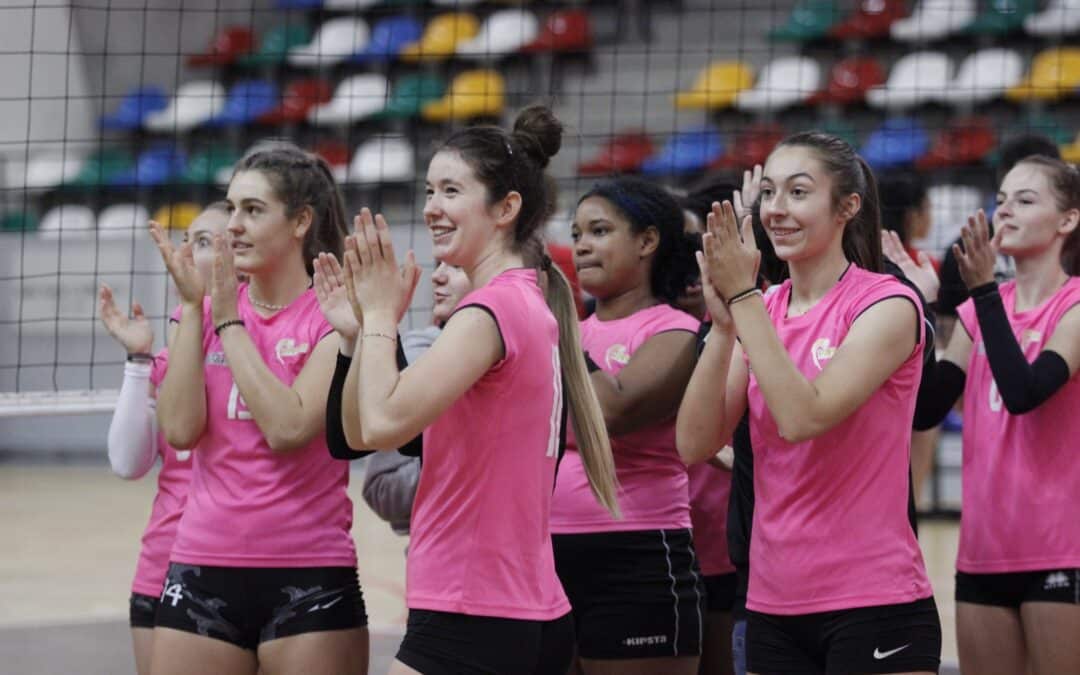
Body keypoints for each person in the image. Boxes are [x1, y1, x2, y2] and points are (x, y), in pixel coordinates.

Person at [338, 105, 620, 675]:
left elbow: (383, 423)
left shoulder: (489, 311)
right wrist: (355, 335)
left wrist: (378, 317)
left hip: (474, 607)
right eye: (428, 190)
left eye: (450, 190)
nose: (430, 208)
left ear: (506, 208)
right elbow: (357, 432)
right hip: (518, 607)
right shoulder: (527, 303)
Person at [677, 132, 941, 675]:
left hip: (873, 600)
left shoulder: (887, 304)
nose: (776, 210)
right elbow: (695, 443)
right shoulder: (762, 308)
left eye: (798, 193)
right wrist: (724, 327)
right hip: (773, 604)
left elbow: (804, 417)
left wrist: (744, 300)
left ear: (847, 207)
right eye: (769, 193)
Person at [147, 143, 367, 675]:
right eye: (232, 208)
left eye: (253, 210)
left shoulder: (331, 313)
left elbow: (289, 426)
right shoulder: (204, 309)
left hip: (308, 575)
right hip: (201, 564)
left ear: (300, 222)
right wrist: (194, 312)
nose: (234, 226)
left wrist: (227, 321)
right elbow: (179, 431)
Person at [886, 156, 1080, 675]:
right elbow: (926, 410)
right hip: (983, 553)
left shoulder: (1074, 307)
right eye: (1001, 200)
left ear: (1068, 220)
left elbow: (1025, 391)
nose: (1005, 210)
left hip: (1061, 551)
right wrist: (919, 309)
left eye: (1025, 199)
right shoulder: (977, 313)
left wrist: (984, 292)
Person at [551, 177, 703, 675]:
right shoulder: (570, 332)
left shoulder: (674, 331)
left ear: (647, 241)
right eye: (576, 234)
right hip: (543, 554)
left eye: (599, 230)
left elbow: (610, 411)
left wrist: (557, 323)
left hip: (636, 554)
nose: (582, 246)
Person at [98, 203, 229, 675]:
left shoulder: (278, 342)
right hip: (163, 568)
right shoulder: (173, 349)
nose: (186, 253)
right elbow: (127, 462)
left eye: (204, 242)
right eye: (186, 240)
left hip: (245, 568)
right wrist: (139, 361)